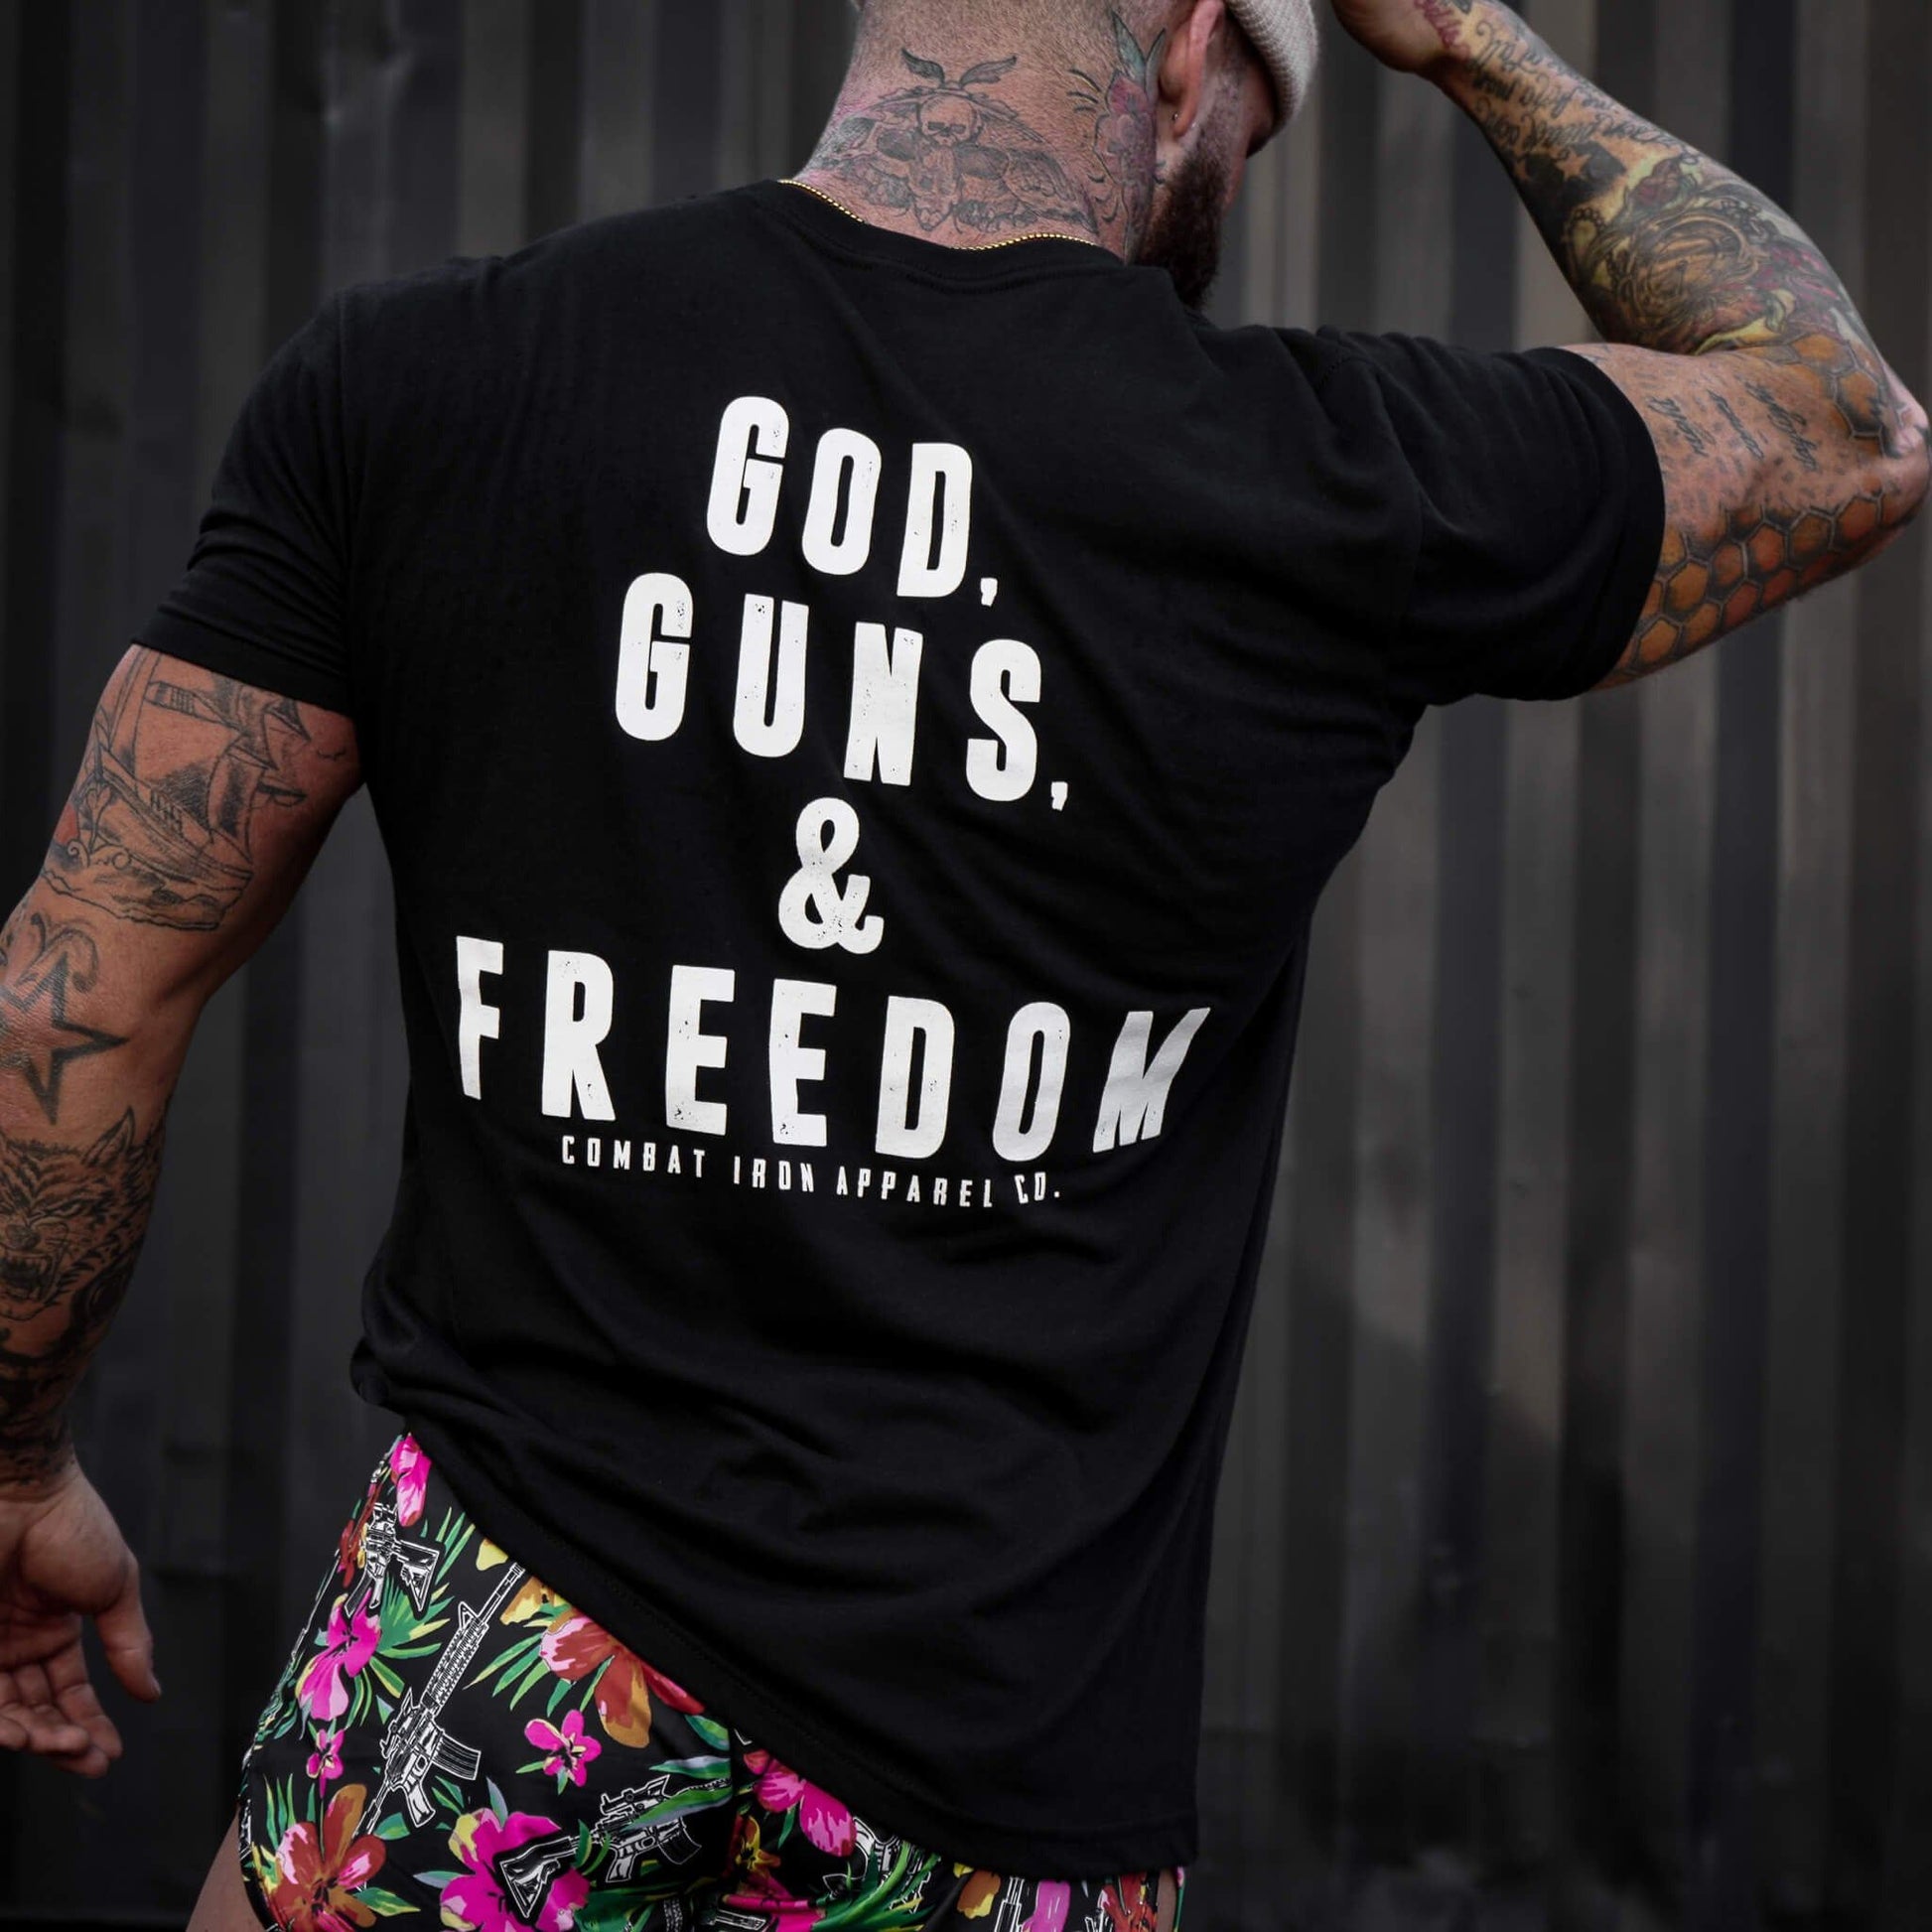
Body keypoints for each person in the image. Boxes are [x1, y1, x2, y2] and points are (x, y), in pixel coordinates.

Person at [1, 0, 1924, 1922]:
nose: (1228, 185)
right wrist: (1466, 39)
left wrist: (14, 1466)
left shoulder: (430, 375)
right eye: (1248, 135)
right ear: (1186, 52)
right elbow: (1847, 423)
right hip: (1001, 1785)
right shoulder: (1330, 477)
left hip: (499, 1661)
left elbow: (81, 993)